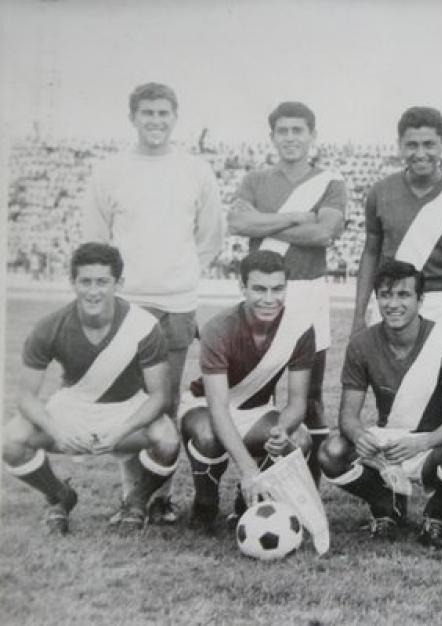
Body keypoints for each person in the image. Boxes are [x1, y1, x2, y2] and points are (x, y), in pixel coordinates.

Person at [83, 82, 224, 523]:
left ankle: (157, 498)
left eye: (164, 113)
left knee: (163, 403)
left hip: (176, 303)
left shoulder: (195, 170)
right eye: (148, 113)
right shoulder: (110, 170)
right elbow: (94, 240)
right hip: (125, 304)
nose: (156, 121)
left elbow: (210, 237)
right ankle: (133, 495)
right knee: (128, 403)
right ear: (133, 118)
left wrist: (177, 274)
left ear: (175, 116)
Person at [2, 243, 179, 532]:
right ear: (73, 282)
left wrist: (121, 431)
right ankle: (60, 496)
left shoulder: (143, 325)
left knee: (168, 439)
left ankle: (136, 501)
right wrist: (57, 430)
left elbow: (160, 396)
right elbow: (24, 396)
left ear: (118, 283)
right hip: (74, 405)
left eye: (102, 282)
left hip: (125, 408)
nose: (93, 291)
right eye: (85, 281)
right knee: (10, 439)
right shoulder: (49, 327)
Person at [227, 101, 347, 482]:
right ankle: (254, 482)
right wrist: (295, 217)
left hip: (308, 292)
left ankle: (309, 485)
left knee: (309, 396)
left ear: (312, 135)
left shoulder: (330, 181)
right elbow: (236, 222)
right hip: (262, 293)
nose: (291, 138)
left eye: (299, 130)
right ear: (273, 136)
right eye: (284, 131)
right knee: (253, 393)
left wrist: (261, 226)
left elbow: (323, 233)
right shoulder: (255, 180)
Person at [321, 260, 442, 549]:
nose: (393, 304)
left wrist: (422, 443)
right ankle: (386, 504)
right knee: (332, 452)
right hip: (389, 440)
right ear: (376, 299)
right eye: (385, 295)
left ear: (420, 300)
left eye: (403, 295)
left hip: (430, 444)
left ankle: (437, 514)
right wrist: (359, 436)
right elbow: (347, 416)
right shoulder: (362, 344)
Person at [350, 106, 442, 397]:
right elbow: (370, 253)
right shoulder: (380, 192)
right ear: (400, 146)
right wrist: (358, 315)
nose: (421, 153)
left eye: (429, 144)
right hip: (393, 298)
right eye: (412, 145)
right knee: (395, 392)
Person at [179, 250, 315, 531]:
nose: (269, 298)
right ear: (242, 288)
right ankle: (206, 501)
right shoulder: (218, 328)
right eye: (259, 289)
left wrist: (283, 428)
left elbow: (298, 402)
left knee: (298, 439)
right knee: (207, 435)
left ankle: (248, 504)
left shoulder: (300, 328)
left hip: (255, 410)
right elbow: (218, 408)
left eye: (277, 289)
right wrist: (248, 468)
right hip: (205, 406)